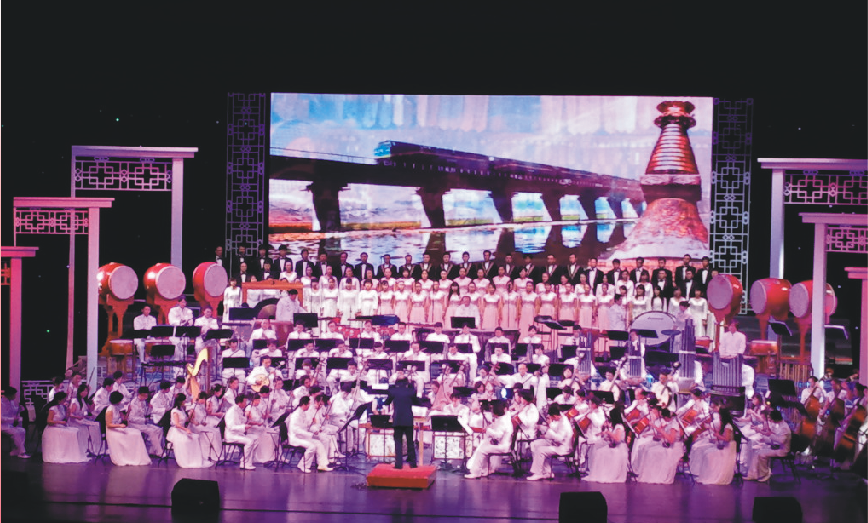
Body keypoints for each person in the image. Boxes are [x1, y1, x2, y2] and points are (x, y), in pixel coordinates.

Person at [690, 402, 738, 485]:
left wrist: (718, 436)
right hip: (724, 446)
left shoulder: (727, 426)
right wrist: (712, 430)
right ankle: (706, 475)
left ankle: (711, 475)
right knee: (706, 452)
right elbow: (720, 435)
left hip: (727, 448)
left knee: (708, 454)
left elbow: (727, 439)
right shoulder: (724, 425)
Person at [465, 400, 513, 478]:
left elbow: (498, 435)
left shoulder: (503, 421)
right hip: (502, 444)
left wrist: (488, 430)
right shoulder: (502, 419)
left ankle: (475, 472)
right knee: (483, 444)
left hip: (503, 446)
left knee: (481, 450)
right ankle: (484, 470)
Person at [637, 408, 684, 484]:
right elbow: (665, 436)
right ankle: (652, 474)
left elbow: (671, 440)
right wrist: (658, 435)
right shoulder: (670, 424)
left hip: (674, 447)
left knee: (652, 452)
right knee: (649, 450)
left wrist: (661, 431)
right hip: (669, 445)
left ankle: (656, 475)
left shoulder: (674, 425)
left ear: (666, 417)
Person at [527, 404, 574, 480]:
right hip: (556, 443)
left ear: (555, 416)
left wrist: (549, 430)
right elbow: (554, 429)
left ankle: (538, 473)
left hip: (563, 447)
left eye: (552, 417)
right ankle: (547, 472)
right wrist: (543, 427)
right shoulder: (560, 418)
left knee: (540, 450)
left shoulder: (564, 423)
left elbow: (559, 438)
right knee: (534, 444)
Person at [166, 393, 213, 468]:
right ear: (180, 401)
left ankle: (193, 460)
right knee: (186, 440)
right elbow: (177, 424)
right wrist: (186, 429)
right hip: (176, 431)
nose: (185, 402)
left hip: (182, 430)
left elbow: (187, 419)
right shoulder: (175, 411)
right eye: (184, 400)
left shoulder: (182, 409)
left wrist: (196, 422)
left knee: (194, 438)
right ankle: (186, 460)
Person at [584, 405, 629, 483]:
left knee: (601, 453)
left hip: (620, 448)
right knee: (600, 451)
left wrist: (609, 433)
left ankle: (605, 473)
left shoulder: (619, 426)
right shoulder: (616, 426)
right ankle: (601, 473)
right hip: (615, 446)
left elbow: (617, 438)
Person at [287, 396, 332, 473]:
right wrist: (309, 434)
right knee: (312, 446)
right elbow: (296, 429)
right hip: (296, 438)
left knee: (319, 443)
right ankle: (302, 465)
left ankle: (322, 465)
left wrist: (312, 423)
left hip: (303, 436)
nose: (309, 406)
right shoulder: (295, 415)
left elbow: (306, 425)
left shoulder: (303, 413)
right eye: (308, 404)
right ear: (303, 404)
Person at [106, 391, 151, 466]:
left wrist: (129, 411)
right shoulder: (110, 410)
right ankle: (128, 456)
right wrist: (119, 426)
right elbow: (108, 424)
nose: (121, 402)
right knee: (131, 436)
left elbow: (124, 419)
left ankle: (134, 456)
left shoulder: (117, 408)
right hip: (112, 431)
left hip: (118, 428)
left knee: (136, 432)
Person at [42, 392, 90, 463]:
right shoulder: (53, 408)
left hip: (60, 426)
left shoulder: (62, 407)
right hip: (53, 428)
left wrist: (67, 411)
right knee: (71, 433)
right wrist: (60, 422)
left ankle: (74, 452)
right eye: (64, 399)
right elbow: (49, 421)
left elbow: (65, 418)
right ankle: (66, 453)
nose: (65, 401)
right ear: (59, 400)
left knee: (76, 431)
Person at [383, 377, 420, 469]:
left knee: (398, 442)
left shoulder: (393, 391)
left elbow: (386, 402)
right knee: (410, 442)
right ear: (406, 383)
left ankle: (398, 464)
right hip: (408, 419)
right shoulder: (411, 391)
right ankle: (413, 464)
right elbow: (417, 402)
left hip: (398, 419)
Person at [746, 410, 791, 482]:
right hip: (775, 447)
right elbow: (772, 434)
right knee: (756, 452)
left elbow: (781, 441)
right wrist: (764, 432)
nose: (770, 420)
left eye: (770, 418)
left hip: (782, 450)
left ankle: (764, 474)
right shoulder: (778, 424)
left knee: (761, 454)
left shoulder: (784, 427)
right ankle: (753, 475)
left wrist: (769, 434)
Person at [126, 386, 164, 456]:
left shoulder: (143, 402)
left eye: (147, 395)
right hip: (134, 424)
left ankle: (153, 450)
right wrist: (144, 420)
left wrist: (150, 408)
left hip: (142, 423)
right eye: (145, 395)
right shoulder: (133, 403)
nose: (146, 397)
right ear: (140, 394)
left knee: (159, 430)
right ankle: (159, 452)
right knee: (151, 431)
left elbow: (145, 413)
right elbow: (130, 418)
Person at [225, 394, 259, 470]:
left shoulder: (239, 410)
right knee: (249, 441)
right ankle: (244, 462)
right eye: (245, 402)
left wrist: (247, 418)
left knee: (255, 438)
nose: (246, 404)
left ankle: (247, 461)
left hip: (238, 434)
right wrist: (244, 427)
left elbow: (242, 420)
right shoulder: (232, 411)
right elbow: (231, 427)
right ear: (240, 402)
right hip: (231, 435)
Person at [2, 387, 29, 458]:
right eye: (14, 394)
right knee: (16, 432)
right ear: (9, 395)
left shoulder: (11, 402)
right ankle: (22, 452)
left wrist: (19, 409)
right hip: (2, 426)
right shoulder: (1, 403)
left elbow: (12, 412)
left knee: (22, 430)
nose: (15, 396)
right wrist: (12, 419)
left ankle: (16, 450)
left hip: (9, 425)